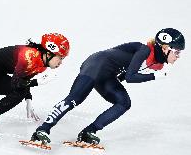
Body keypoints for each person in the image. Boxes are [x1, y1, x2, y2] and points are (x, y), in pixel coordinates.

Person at [31, 28, 185, 145]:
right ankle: (42, 130)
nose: (178, 56)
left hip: (108, 74)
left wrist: (119, 79)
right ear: (164, 48)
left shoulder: (156, 62)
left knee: (124, 103)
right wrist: (155, 76)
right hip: (95, 65)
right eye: (176, 52)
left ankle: (88, 132)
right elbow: (130, 77)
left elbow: (125, 72)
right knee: (75, 99)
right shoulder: (144, 50)